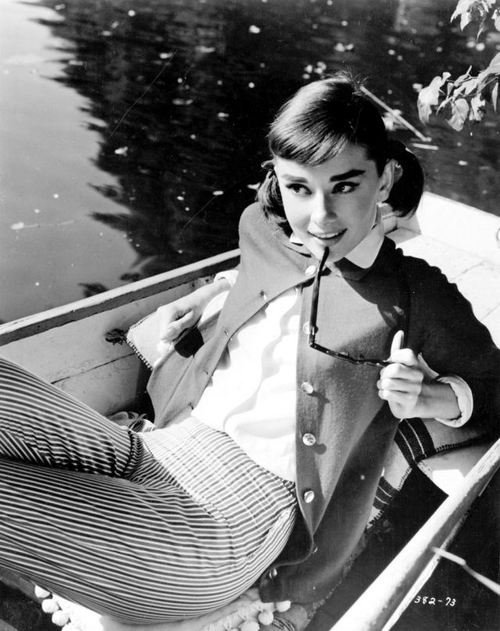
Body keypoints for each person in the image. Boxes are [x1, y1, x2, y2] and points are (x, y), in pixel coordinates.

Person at [1, 71, 499, 631]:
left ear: (384, 179)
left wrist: (431, 397)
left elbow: (494, 388)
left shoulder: (416, 294)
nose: (320, 217)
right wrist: (211, 292)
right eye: (299, 188)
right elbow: (268, 270)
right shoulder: (262, 228)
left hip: (229, 529)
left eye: (344, 186)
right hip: (156, 450)